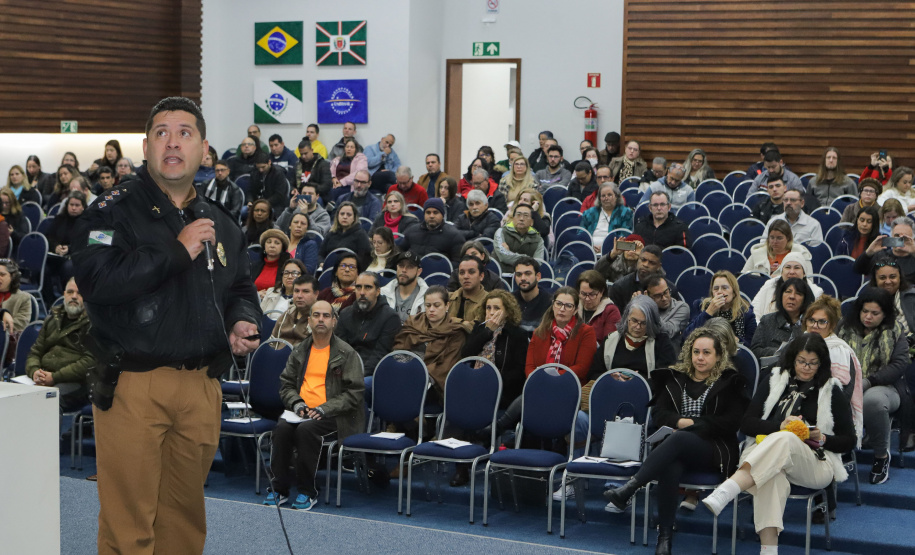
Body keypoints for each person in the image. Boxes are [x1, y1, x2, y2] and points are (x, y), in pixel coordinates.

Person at [71, 97, 261, 554]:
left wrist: (242, 320)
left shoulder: (219, 220)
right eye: (161, 133)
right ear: (145, 146)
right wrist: (175, 252)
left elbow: (239, 286)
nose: (172, 142)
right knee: (130, 523)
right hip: (135, 385)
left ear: (204, 149)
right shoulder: (108, 212)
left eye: (184, 133)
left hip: (201, 387)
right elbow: (97, 281)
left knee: (184, 521)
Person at [702, 333, 856, 554]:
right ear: (792, 359)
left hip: (814, 462)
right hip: (764, 454)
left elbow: (849, 441)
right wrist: (779, 426)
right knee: (772, 476)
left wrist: (821, 438)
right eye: (801, 361)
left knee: (787, 438)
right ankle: (769, 550)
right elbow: (746, 424)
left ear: (821, 364)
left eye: (813, 363)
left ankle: (729, 489)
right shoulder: (774, 380)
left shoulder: (831, 390)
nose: (806, 368)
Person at [604, 329, 747, 555]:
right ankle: (665, 537)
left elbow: (731, 422)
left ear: (718, 356)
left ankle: (631, 487)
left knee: (678, 439)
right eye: (696, 352)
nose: (700, 357)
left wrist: (691, 426)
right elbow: (659, 415)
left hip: (714, 449)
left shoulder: (730, 382)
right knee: (671, 464)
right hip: (677, 450)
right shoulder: (674, 378)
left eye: (707, 353)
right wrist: (680, 421)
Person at [267, 300, 364, 510]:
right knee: (282, 429)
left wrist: (324, 409)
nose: (321, 319)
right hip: (301, 412)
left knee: (306, 430)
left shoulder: (346, 353)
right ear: (309, 320)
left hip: (334, 415)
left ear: (334, 322)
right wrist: (297, 404)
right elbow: (286, 385)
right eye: (316, 315)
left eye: (326, 316)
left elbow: (354, 393)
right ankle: (279, 489)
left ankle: (307, 491)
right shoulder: (300, 350)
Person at [837, 288, 910, 484]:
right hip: (847, 382)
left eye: (875, 313)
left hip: (887, 387)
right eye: (864, 311)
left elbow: (898, 365)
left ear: (885, 313)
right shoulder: (844, 327)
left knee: (872, 401)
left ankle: (881, 456)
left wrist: (868, 382)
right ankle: (838, 450)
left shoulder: (895, 330)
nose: (868, 317)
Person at [799, 296, 864, 446]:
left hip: (828, 411)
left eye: (822, 322)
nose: (815, 326)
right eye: (811, 320)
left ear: (832, 325)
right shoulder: (797, 344)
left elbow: (844, 393)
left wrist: (812, 406)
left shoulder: (840, 351)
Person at [26, 277, 93, 412]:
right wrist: (34, 372)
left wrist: (55, 377)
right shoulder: (51, 319)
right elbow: (35, 352)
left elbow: (89, 362)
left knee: (48, 400)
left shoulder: (93, 324)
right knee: (12, 396)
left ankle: (47, 434)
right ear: (64, 294)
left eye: (79, 293)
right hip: (45, 377)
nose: (74, 296)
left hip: (78, 383)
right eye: (70, 292)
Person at [393, 285, 471, 398]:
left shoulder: (456, 332)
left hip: (433, 385)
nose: (431, 309)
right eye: (428, 305)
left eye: (437, 305)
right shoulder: (413, 323)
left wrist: (418, 375)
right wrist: (405, 370)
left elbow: (445, 366)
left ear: (447, 305)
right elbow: (398, 349)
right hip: (404, 373)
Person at [461, 289, 529, 410]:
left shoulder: (517, 334)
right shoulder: (479, 328)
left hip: (502, 390)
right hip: (474, 384)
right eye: (488, 308)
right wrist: (488, 331)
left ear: (507, 312)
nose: (491, 313)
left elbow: (519, 371)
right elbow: (466, 355)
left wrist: (492, 380)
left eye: (497, 308)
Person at [588, 294, 677, 383]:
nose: (638, 327)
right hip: (614, 390)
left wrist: (640, 382)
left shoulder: (662, 342)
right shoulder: (611, 340)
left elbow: (666, 378)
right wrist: (610, 378)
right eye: (634, 320)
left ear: (651, 323)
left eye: (644, 323)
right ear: (627, 318)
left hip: (648, 394)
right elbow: (593, 374)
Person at [524, 286, 597, 383]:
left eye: (568, 306)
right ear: (553, 305)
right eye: (558, 304)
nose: (562, 309)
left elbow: (582, 368)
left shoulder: (586, 332)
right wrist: (537, 379)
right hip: (539, 384)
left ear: (575, 310)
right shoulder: (539, 332)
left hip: (570, 385)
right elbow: (529, 366)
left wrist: (554, 378)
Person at [337, 272, 402, 377]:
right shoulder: (345, 314)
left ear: (377, 291)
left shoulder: (390, 318)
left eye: (368, 287)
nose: (362, 292)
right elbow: (340, 349)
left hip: (373, 374)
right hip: (345, 371)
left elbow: (380, 355)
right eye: (358, 287)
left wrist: (357, 376)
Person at [751, 277, 814, 360]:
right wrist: (779, 352)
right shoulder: (767, 320)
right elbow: (755, 351)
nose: (792, 296)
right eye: (788, 292)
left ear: (805, 299)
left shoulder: (812, 323)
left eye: (798, 293)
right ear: (781, 296)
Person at [751, 252, 824, 322]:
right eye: (788, 267)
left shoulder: (816, 292)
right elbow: (755, 313)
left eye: (797, 268)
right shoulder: (769, 285)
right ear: (782, 272)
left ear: (804, 273)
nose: (792, 272)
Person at [43, 191, 87, 304]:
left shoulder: (88, 222)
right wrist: (56, 247)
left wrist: (70, 249)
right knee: (44, 268)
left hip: (77, 257)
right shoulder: (60, 219)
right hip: (57, 255)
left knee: (67, 268)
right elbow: (49, 237)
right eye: (71, 205)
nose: (73, 208)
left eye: (77, 205)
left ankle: (67, 298)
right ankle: (50, 301)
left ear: (83, 207)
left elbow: (88, 242)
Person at [609, 244, 679, 310]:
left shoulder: (669, 290)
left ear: (659, 267)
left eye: (651, 263)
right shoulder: (619, 287)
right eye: (643, 260)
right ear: (638, 260)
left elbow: (673, 315)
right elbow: (617, 319)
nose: (645, 265)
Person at [401, 198, 464, 263]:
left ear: (442, 215)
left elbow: (458, 263)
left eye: (435, 212)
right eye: (428, 212)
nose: (431, 216)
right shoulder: (412, 231)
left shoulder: (454, 236)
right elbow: (400, 251)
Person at [853, 216, 915, 282]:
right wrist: (868, 252)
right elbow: (857, 270)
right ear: (891, 236)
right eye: (896, 236)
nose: (899, 240)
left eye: (904, 238)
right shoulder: (881, 256)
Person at [742, 219, 811, 276]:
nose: (775, 241)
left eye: (779, 238)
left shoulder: (801, 254)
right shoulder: (757, 253)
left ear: (788, 238)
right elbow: (742, 277)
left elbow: (809, 281)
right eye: (772, 237)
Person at [868, 253, 915, 333]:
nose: (888, 281)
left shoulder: (912, 296)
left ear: (900, 277)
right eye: (882, 278)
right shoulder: (867, 301)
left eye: (892, 277)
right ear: (875, 280)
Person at [492, 203, 546, 272]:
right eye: (518, 215)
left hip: (525, 277)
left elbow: (538, 262)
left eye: (526, 215)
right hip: (501, 275)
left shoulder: (538, 239)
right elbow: (504, 256)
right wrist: (530, 259)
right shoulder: (501, 232)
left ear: (532, 222)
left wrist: (510, 253)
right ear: (513, 218)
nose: (521, 219)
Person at [582, 182, 633, 253]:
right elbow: (581, 234)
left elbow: (626, 240)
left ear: (616, 196)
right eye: (603, 196)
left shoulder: (626, 213)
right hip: (590, 251)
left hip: (615, 253)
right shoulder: (589, 213)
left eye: (609, 195)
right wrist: (590, 246)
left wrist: (606, 247)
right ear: (599, 199)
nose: (606, 198)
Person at [644, 273, 691, 350]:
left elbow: (668, 332)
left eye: (666, 292)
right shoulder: (642, 309)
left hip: (669, 356)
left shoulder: (682, 308)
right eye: (658, 296)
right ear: (648, 296)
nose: (664, 298)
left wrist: (650, 307)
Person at [318, 201, 372, 268]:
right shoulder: (331, 233)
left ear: (354, 218)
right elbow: (320, 254)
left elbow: (364, 259)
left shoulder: (361, 235)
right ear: (337, 216)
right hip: (330, 269)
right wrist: (322, 263)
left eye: (349, 215)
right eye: (342, 214)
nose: (345, 217)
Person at [271, 275, 319, 346]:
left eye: (305, 291)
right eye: (296, 291)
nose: (299, 296)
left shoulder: (322, 318)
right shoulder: (286, 315)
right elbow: (271, 344)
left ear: (316, 294)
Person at [380, 251, 428, 322]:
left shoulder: (426, 296)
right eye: (401, 266)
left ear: (418, 272)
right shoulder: (383, 293)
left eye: (410, 267)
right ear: (397, 268)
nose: (404, 270)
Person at [576, 269, 621, 342]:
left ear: (601, 292)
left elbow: (609, 343)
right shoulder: (574, 306)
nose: (587, 299)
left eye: (592, 294)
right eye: (583, 294)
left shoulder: (611, 311)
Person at [512, 256, 552, 333]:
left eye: (528, 274)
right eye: (519, 275)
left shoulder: (549, 302)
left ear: (538, 276)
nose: (523, 278)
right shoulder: (509, 301)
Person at [249, 151, 290, 218]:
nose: (261, 170)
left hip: (275, 205)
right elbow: (250, 190)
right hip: (257, 204)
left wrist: (264, 203)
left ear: (269, 162)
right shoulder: (254, 173)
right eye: (258, 167)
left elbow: (279, 195)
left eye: (263, 167)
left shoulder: (278, 174)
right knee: (244, 211)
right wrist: (250, 201)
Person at [251, 229, 290, 294]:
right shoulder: (254, 266)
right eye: (269, 242)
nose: (272, 246)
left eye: (277, 243)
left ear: (282, 248)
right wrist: (256, 295)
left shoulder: (287, 268)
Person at [0, 260, 33, 333]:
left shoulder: (23, 298)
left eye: (2, 275)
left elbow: (21, 324)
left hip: (7, 338)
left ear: (13, 276)